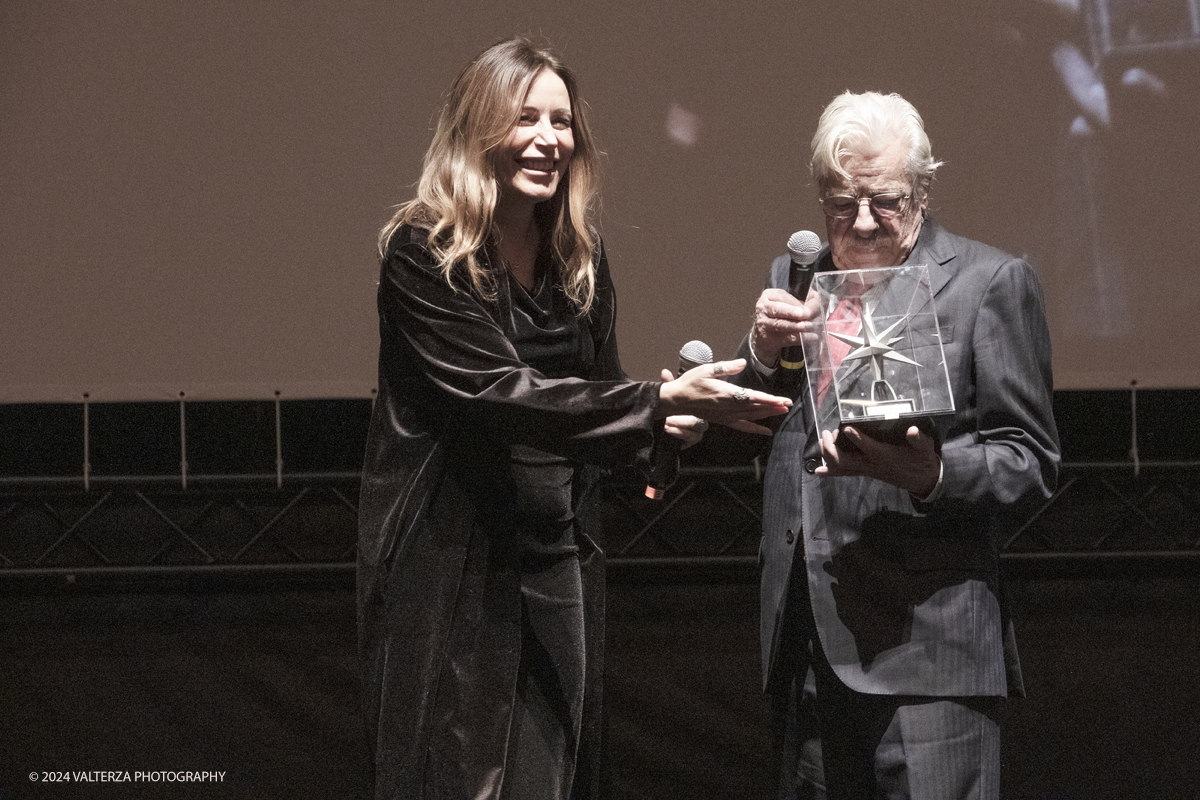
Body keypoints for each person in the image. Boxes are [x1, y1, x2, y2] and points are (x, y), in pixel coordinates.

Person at [356, 37, 790, 800]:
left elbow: (598, 401)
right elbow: (501, 395)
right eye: (526, 118)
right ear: (478, 129)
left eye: (562, 123)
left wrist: (665, 429)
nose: (549, 140)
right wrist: (651, 407)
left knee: (552, 776)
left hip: (557, 559)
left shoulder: (577, 257)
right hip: (456, 572)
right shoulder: (423, 254)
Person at [736, 91, 1061, 799]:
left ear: (921, 191)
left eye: (883, 201)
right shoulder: (797, 281)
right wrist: (761, 355)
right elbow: (770, 429)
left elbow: (1032, 463)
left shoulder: (989, 285)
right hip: (811, 649)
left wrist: (932, 474)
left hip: (928, 657)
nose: (859, 223)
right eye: (839, 202)